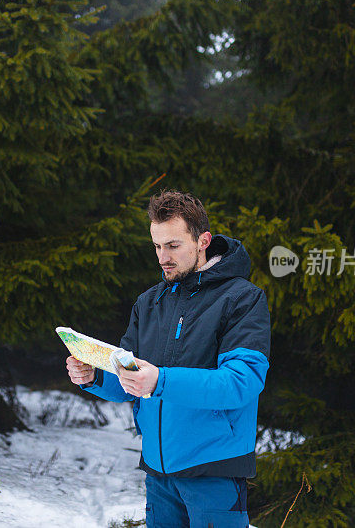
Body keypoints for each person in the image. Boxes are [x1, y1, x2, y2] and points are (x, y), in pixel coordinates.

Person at [66, 189, 271, 528]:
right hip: (158, 472)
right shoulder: (149, 302)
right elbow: (130, 379)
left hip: (213, 471)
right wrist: (93, 376)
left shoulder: (243, 299)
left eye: (173, 245)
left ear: (202, 240)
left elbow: (241, 382)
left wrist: (160, 380)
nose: (163, 257)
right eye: (157, 246)